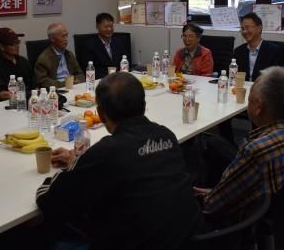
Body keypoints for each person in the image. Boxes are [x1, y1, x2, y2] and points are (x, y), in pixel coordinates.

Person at [36, 72, 204, 249]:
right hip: (188, 241)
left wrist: (75, 165)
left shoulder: (107, 152)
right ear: (144, 105)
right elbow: (133, 161)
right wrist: (82, 162)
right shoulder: (166, 135)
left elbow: (50, 201)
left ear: (101, 114)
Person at [194, 67, 284, 222]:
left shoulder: (258, 150)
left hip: (246, 226)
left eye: (249, 99)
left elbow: (211, 207)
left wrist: (205, 196)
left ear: (259, 107)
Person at [232, 12, 284, 82]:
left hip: (264, 87)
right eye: (242, 28)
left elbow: (279, 79)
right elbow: (233, 76)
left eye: (248, 27)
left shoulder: (274, 51)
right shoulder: (238, 51)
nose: (244, 31)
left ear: (259, 28)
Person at [0, 27, 34, 102]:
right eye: (12, 44)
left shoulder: (23, 61)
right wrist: (19, 95)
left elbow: (34, 84)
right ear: (1, 47)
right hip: (9, 103)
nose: (17, 46)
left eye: (17, 42)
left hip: (30, 100)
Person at [34, 22, 84, 89]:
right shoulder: (44, 59)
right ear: (52, 39)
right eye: (63, 36)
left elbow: (80, 73)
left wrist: (77, 81)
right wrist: (65, 84)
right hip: (56, 90)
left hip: (72, 87)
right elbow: (42, 81)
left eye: (66, 35)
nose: (66, 39)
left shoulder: (69, 54)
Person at [81, 13, 127, 79]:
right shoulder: (89, 45)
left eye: (111, 26)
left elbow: (124, 62)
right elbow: (89, 70)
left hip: (119, 78)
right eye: (106, 27)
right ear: (97, 26)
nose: (109, 29)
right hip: (101, 80)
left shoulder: (118, 42)